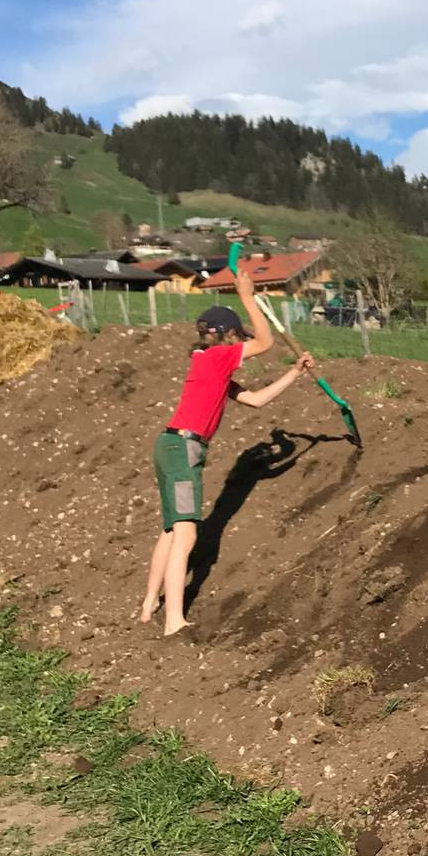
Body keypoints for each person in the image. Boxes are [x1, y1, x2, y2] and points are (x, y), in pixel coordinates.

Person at [139, 271, 313, 634]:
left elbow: (256, 400)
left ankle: (148, 604)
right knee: (187, 535)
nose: (243, 348)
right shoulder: (217, 356)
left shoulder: (209, 364)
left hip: (171, 445)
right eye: (238, 339)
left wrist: (295, 373)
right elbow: (265, 341)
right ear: (227, 336)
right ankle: (173, 620)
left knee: (172, 532)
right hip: (183, 448)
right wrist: (248, 297)